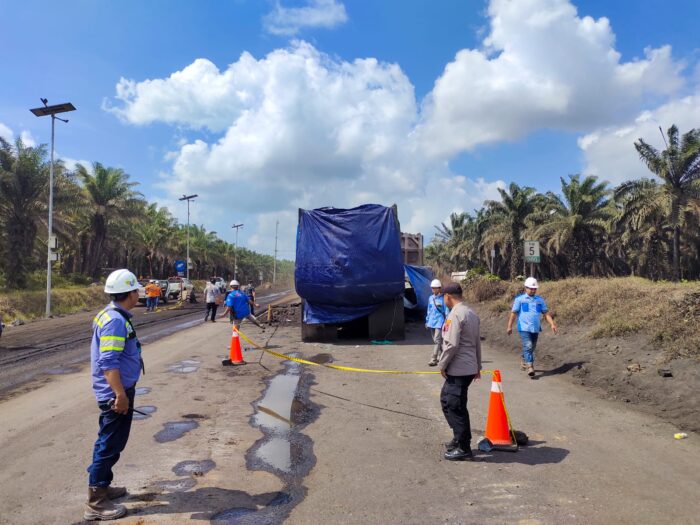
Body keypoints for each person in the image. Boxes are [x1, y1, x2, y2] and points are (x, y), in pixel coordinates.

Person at [85, 269, 144, 520]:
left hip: (116, 390)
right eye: (136, 290)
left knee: (111, 442)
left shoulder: (111, 314)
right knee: (109, 445)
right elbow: (108, 362)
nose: (139, 293)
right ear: (130, 293)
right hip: (114, 393)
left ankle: (104, 486)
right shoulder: (115, 321)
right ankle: (96, 502)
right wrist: (120, 395)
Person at [439, 282, 482, 461]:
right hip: (468, 367)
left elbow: (451, 344)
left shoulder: (455, 314)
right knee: (449, 400)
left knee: (454, 406)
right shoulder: (471, 313)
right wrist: (478, 366)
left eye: (444, 297)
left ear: (448, 297)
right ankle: (459, 438)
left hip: (458, 368)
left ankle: (464, 446)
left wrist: (442, 364)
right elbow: (477, 343)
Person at [507, 277, 557, 377]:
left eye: (534, 289)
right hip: (524, 327)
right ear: (525, 288)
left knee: (532, 347)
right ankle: (530, 366)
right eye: (531, 288)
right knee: (528, 345)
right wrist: (509, 326)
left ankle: (524, 358)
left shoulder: (540, 300)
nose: (533, 290)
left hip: (535, 328)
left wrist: (552, 324)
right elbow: (513, 313)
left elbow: (546, 313)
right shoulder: (519, 300)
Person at [426, 279, 448, 367]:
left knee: (437, 340)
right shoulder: (430, 298)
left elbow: (446, 311)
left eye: (435, 288)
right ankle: (443, 356)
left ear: (439, 288)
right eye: (432, 288)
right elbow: (429, 310)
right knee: (436, 341)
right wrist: (427, 321)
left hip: (440, 322)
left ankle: (433, 359)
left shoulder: (443, 298)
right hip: (431, 322)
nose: (433, 290)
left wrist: (447, 322)